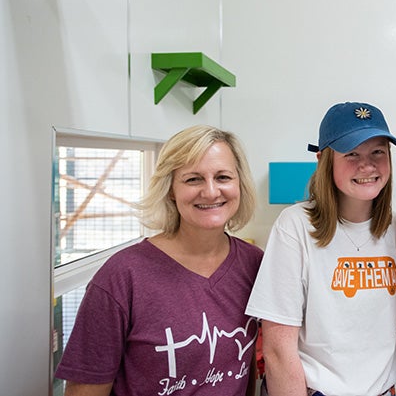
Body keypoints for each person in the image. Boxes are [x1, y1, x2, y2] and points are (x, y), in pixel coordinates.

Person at [55, 125, 264, 396]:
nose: (211, 192)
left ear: (239, 184)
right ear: (170, 190)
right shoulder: (122, 276)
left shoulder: (256, 264)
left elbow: (243, 371)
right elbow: (84, 391)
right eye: (193, 179)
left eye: (223, 177)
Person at [246, 102, 396, 396]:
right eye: (352, 153)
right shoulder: (295, 227)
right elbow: (277, 350)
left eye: (378, 151)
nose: (367, 165)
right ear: (324, 159)